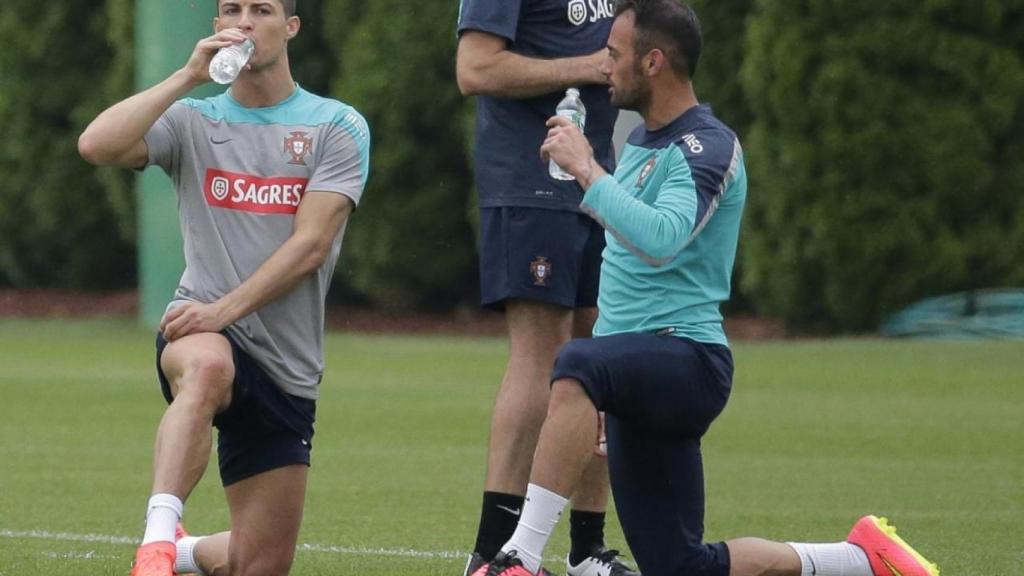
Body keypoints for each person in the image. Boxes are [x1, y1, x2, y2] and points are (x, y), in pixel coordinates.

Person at [471, 2, 941, 576]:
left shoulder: (706, 146)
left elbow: (663, 239)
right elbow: (626, 278)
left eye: (615, 57)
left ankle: (519, 556)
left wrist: (589, 171)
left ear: (654, 62)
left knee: (576, 358)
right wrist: (604, 395)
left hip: (689, 360)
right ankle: (860, 558)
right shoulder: (642, 139)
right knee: (681, 566)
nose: (604, 68)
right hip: (644, 369)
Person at [78, 1, 370, 574]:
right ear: (216, 28)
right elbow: (97, 145)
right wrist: (187, 75)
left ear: (290, 27)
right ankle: (158, 541)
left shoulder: (335, 124)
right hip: (199, 330)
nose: (244, 20)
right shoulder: (192, 117)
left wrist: (225, 309)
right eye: (230, 9)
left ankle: (185, 552)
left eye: (261, 9)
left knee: (257, 562)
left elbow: (310, 246)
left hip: (288, 364)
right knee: (209, 369)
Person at [455, 1, 640, 575]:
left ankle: (587, 552)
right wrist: (586, 64)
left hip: (596, 175)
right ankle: (492, 553)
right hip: (530, 177)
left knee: (600, 359)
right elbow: (476, 69)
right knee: (542, 355)